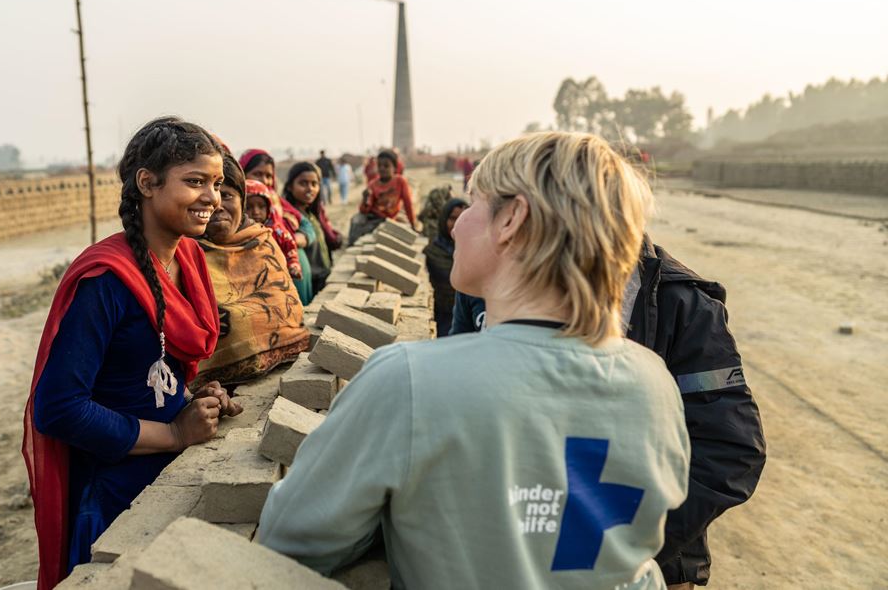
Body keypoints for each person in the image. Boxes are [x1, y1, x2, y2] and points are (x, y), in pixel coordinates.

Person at [257, 131, 690, 589]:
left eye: (473, 204)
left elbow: (293, 539)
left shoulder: (410, 381)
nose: (458, 224)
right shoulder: (655, 383)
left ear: (511, 220)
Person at [450, 243, 767, 589]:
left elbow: (729, 448)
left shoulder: (682, 303)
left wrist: (625, 547)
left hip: (653, 565)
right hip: (514, 550)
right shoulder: (495, 279)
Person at [23, 117, 244, 589]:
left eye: (218, 183)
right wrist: (172, 433)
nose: (212, 197)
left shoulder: (185, 260)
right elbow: (58, 408)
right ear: (147, 182)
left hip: (165, 481)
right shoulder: (107, 279)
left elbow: (145, 371)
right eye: (195, 182)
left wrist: (190, 397)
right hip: (113, 498)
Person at [196, 158, 310, 386]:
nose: (217, 204)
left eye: (226, 195)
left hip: (283, 376)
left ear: (242, 201)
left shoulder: (263, 242)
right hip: (212, 394)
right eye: (209, 197)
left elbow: (290, 309)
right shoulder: (184, 254)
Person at [239, 149, 304, 281]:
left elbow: (304, 223)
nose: (264, 180)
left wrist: (300, 238)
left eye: (269, 176)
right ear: (241, 173)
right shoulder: (235, 211)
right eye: (258, 174)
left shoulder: (274, 201)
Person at [283, 162, 342, 302]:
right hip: (309, 280)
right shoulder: (290, 217)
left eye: (314, 184)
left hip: (323, 274)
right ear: (290, 186)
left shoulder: (312, 213)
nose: (310, 188)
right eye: (303, 183)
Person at [348, 149, 416, 244]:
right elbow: (364, 210)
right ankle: (351, 245)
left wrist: (413, 224)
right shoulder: (372, 184)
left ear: (395, 167)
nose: (382, 168)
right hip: (374, 218)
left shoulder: (400, 182)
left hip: (388, 219)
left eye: (386, 166)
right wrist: (365, 199)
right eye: (379, 166)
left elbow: (408, 204)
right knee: (356, 221)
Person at [422, 198, 468, 336]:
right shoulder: (432, 252)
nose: (457, 224)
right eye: (453, 218)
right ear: (443, 220)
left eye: (463, 218)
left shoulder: (477, 252)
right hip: (443, 318)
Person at [245, 179, 303, 280]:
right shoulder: (238, 234)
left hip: (278, 278)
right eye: (248, 207)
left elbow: (290, 247)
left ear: (269, 207)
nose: (256, 212)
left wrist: (293, 266)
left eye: (261, 206)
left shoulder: (277, 231)